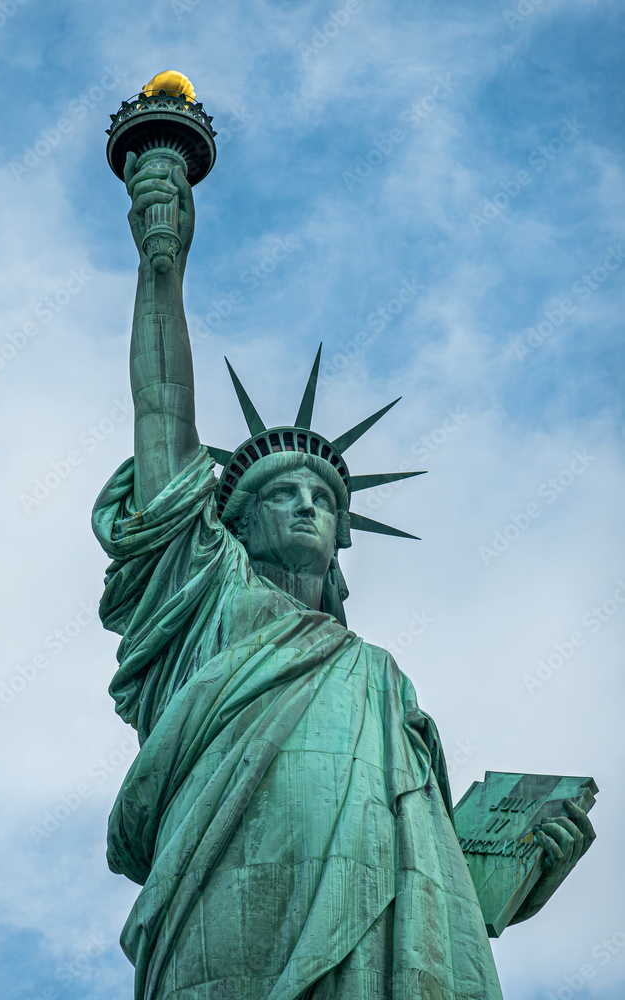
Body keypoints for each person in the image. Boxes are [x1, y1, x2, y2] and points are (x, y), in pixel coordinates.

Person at [92, 152, 594, 1000]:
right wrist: (160, 256)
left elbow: (419, 867)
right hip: (226, 904)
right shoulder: (203, 603)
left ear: (340, 535)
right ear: (231, 524)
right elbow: (163, 408)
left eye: (321, 498)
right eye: (276, 494)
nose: (304, 507)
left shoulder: (380, 680)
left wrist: (518, 876)